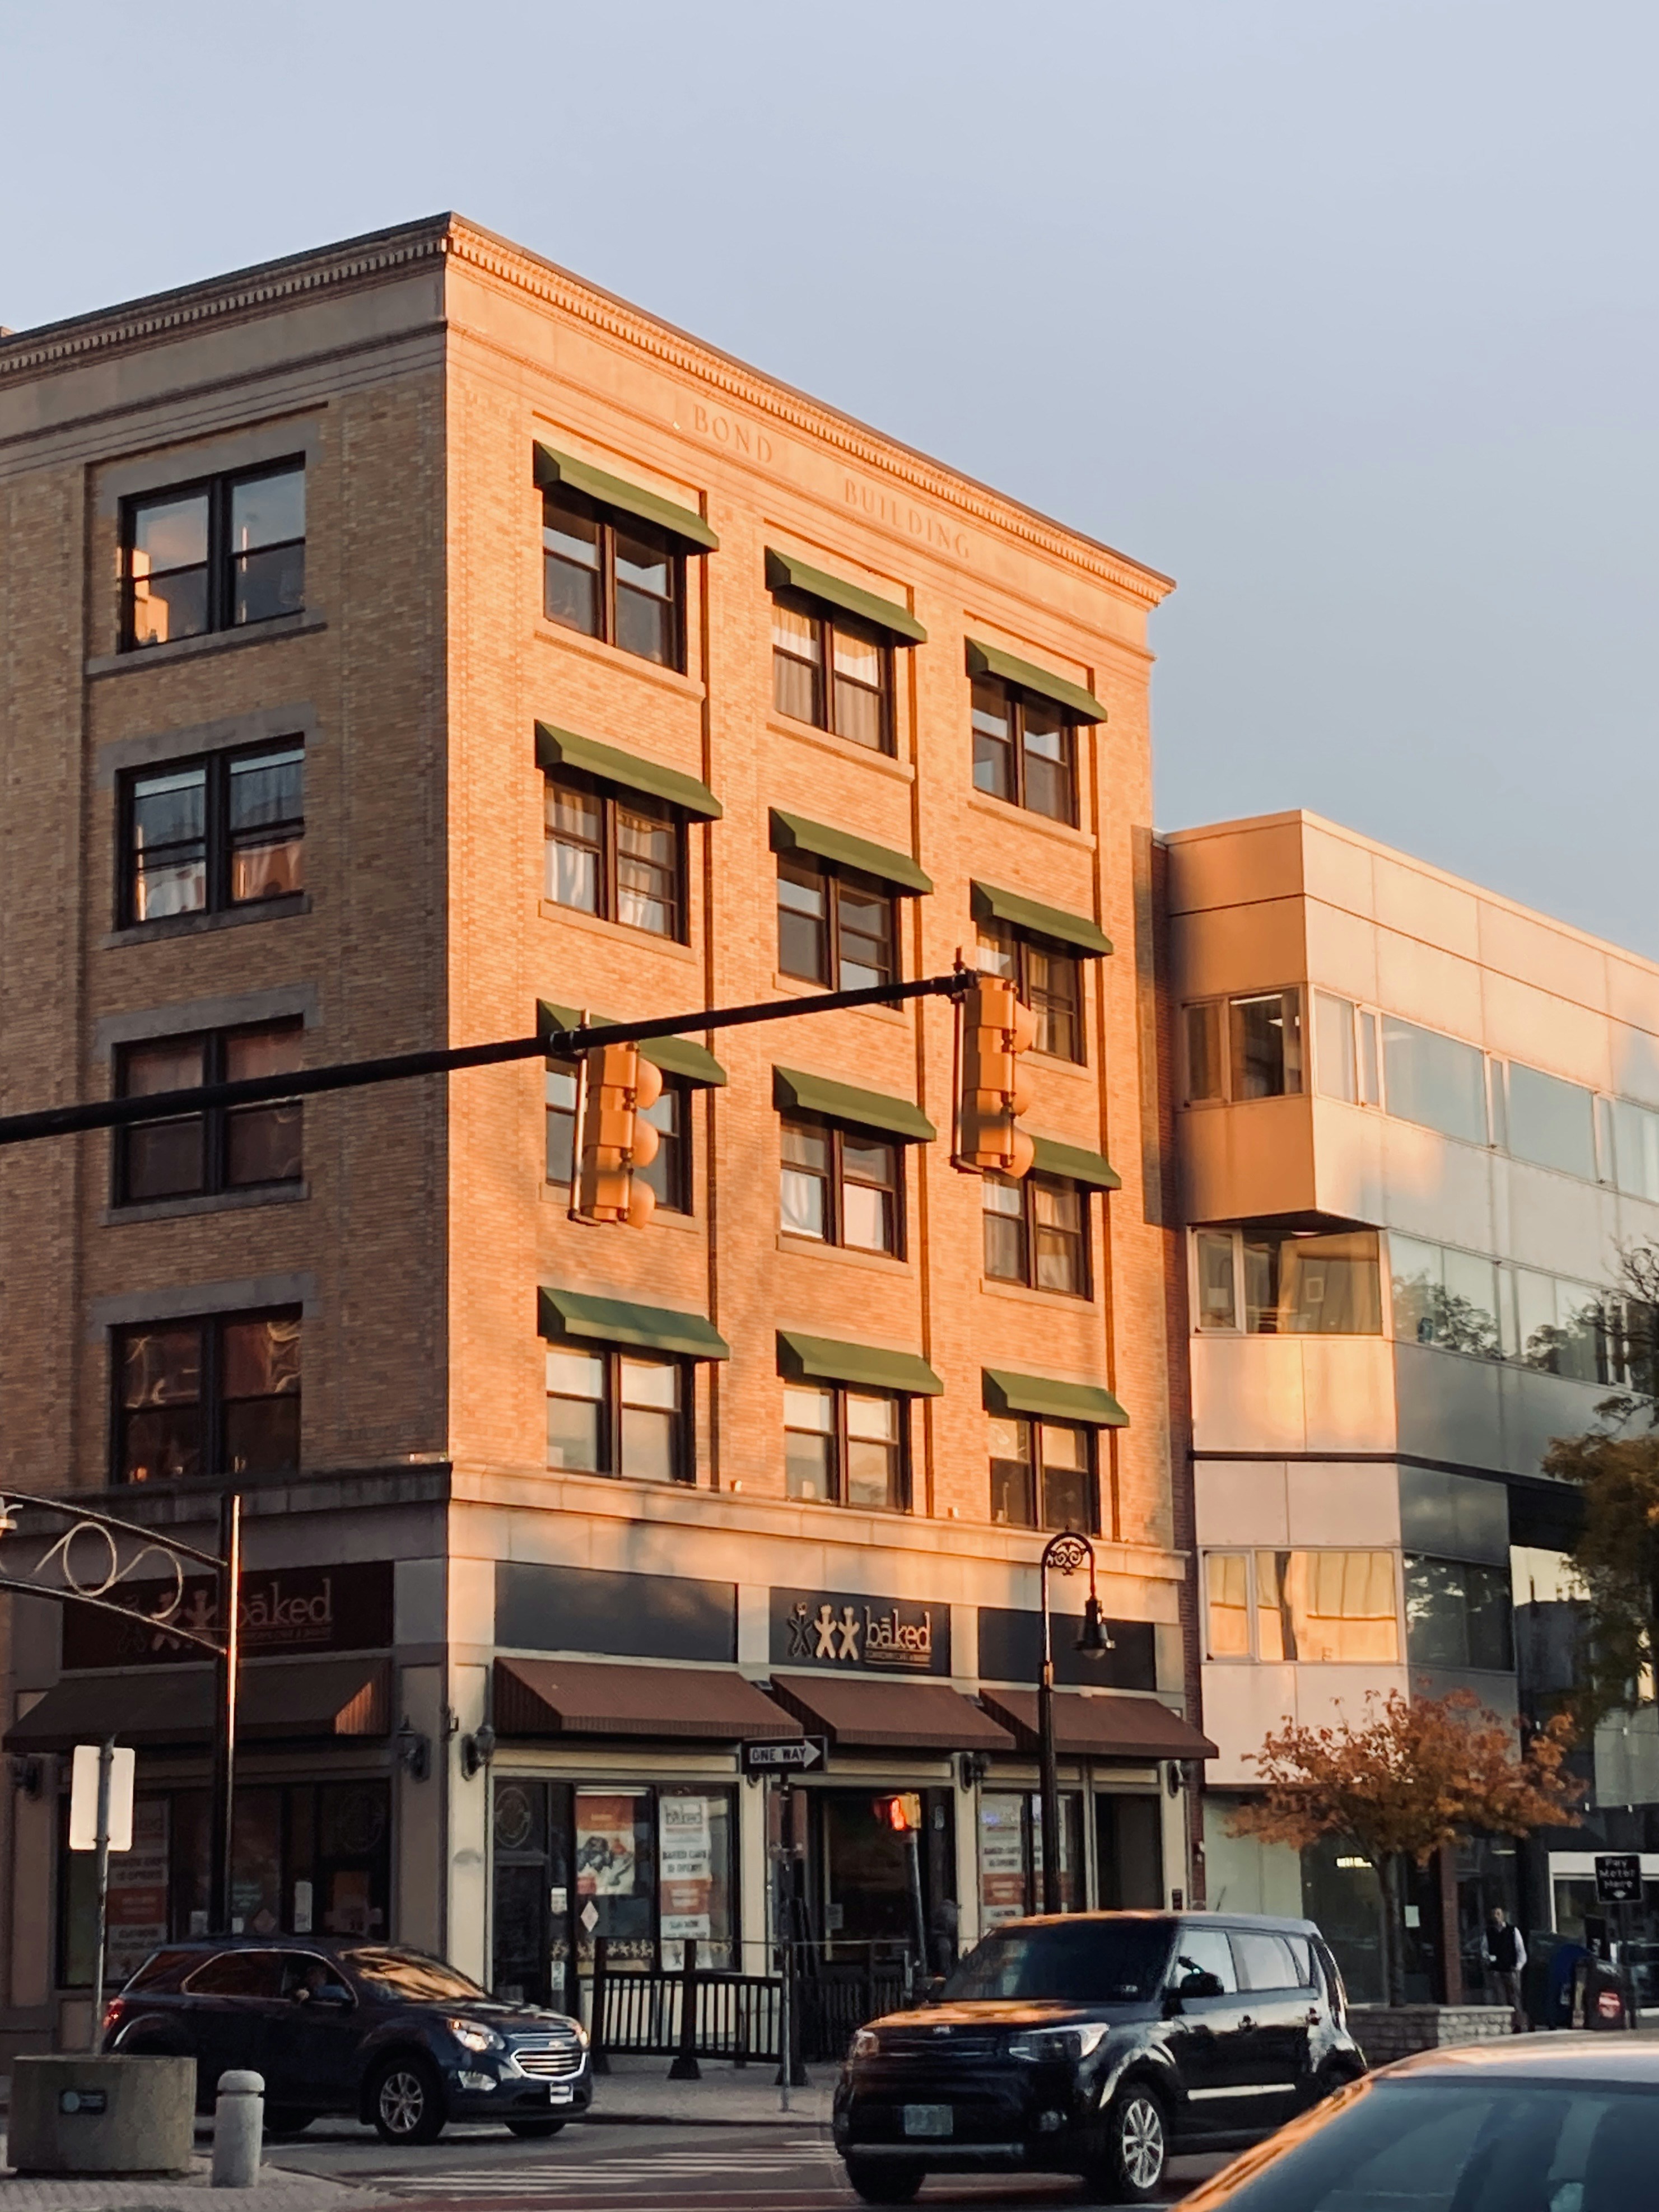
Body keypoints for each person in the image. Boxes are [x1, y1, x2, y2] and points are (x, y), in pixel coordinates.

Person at [1484, 1906, 1527, 2029]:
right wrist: (1488, 1961)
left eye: (1498, 1914)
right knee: (1500, 1999)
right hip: (1497, 1970)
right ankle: (1505, 2026)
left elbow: (1520, 1950)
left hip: (1511, 1969)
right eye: (1494, 1914)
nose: (1496, 1916)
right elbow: (1484, 1950)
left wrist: (1518, 1967)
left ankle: (1518, 2024)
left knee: (1515, 1998)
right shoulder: (1489, 1932)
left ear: (1503, 1916)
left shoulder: (1513, 1931)